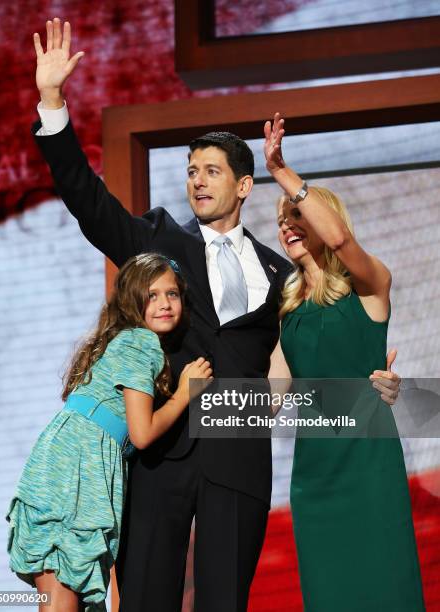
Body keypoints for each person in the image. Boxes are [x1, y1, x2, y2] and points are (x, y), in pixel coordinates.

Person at [30, 19, 401, 611]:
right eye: (191, 170)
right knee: (148, 597)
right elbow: (89, 203)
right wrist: (53, 105)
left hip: (240, 455)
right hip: (162, 454)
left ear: (245, 184)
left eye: (211, 171)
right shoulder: (159, 241)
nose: (197, 180)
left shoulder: (284, 275)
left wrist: (370, 385)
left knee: (225, 601)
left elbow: (304, 362)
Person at [265, 113, 425, 611]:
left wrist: (283, 172)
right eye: (281, 223)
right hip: (316, 477)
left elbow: (339, 243)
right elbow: (272, 398)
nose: (287, 227)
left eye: (296, 217)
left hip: (368, 467)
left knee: (384, 587)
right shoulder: (286, 312)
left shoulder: (370, 285)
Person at [6, 253, 213, 611]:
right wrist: (183, 394)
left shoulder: (123, 340)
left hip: (67, 460)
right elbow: (143, 433)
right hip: (77, 470)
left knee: (63, 594)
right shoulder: (140, 343)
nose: (164, 304)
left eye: (172, 294)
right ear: (134, 300)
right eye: (152, 295)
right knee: (62, 597)